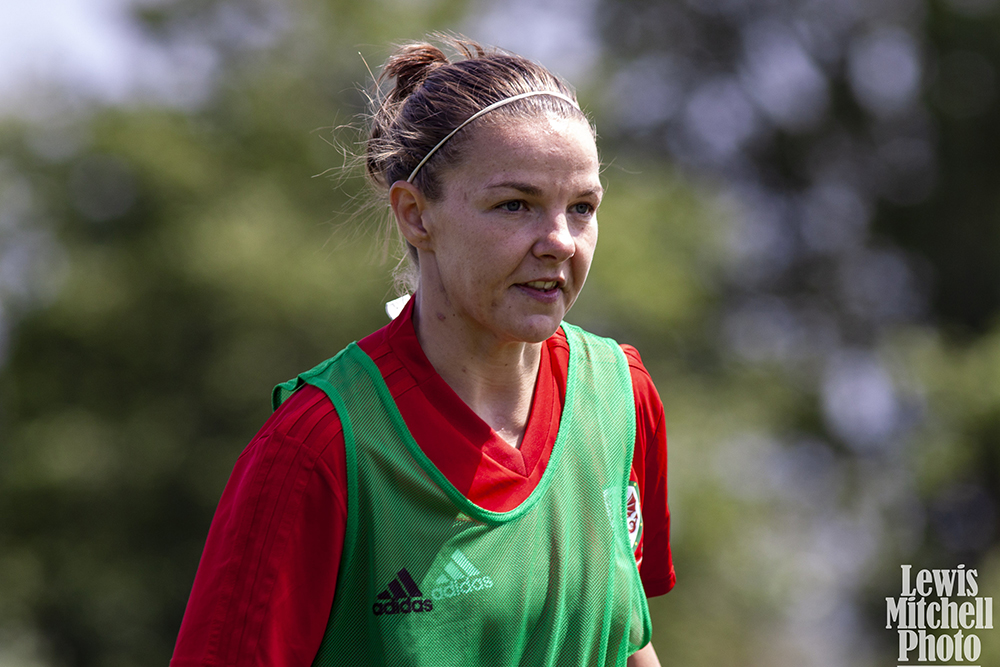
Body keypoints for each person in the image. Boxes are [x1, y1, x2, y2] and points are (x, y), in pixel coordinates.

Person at [170, 35, 674, 667]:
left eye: (582, 208)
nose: (559, 242)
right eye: (514, 204)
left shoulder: (622, 396)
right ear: (415, 214)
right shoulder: (319, 449)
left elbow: (628, 639)